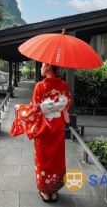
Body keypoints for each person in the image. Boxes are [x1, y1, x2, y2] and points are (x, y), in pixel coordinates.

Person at [11, 62, 72, 202]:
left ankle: (45, 190)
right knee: (56, 158)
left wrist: (20, 108)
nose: (41, 68)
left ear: (49, 67)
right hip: (57, 127)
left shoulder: (40, 86)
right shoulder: (63, 85)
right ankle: (54, 190)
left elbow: (35, 109)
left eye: (43, 65)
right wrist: (57, 106)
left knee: (43, 159)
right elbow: (67, 102)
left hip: (44, 128)